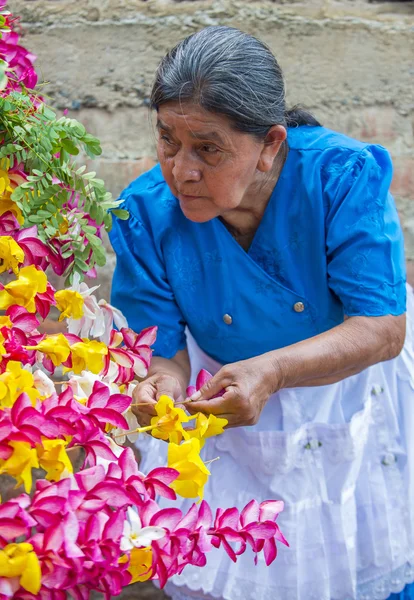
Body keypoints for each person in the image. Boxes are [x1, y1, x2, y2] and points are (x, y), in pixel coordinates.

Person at [109, 26, 414, 600]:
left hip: (344, 388)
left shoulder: (339, 175)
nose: (182, 170)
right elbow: (159, 344)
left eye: (209, 148)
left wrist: (270, 371)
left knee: (355, 552)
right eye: (167, 140)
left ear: (271, 143)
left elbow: (381, 327)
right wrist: (161, 386)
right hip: (226, 402)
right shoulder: (144, 212)